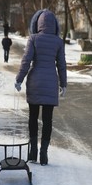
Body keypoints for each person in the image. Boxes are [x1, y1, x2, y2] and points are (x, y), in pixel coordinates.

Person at [15, 9, 67, 166]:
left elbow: (26, 61)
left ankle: (32, 152)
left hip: (35, 82)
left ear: (37, 23)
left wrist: (19, 79)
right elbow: (62, 65)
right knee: (47, 119)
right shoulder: (58, 42)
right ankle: (44, 153)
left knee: (32, 117)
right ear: (54, 25)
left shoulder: (33, 38)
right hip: (51, 83)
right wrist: (63, 84)